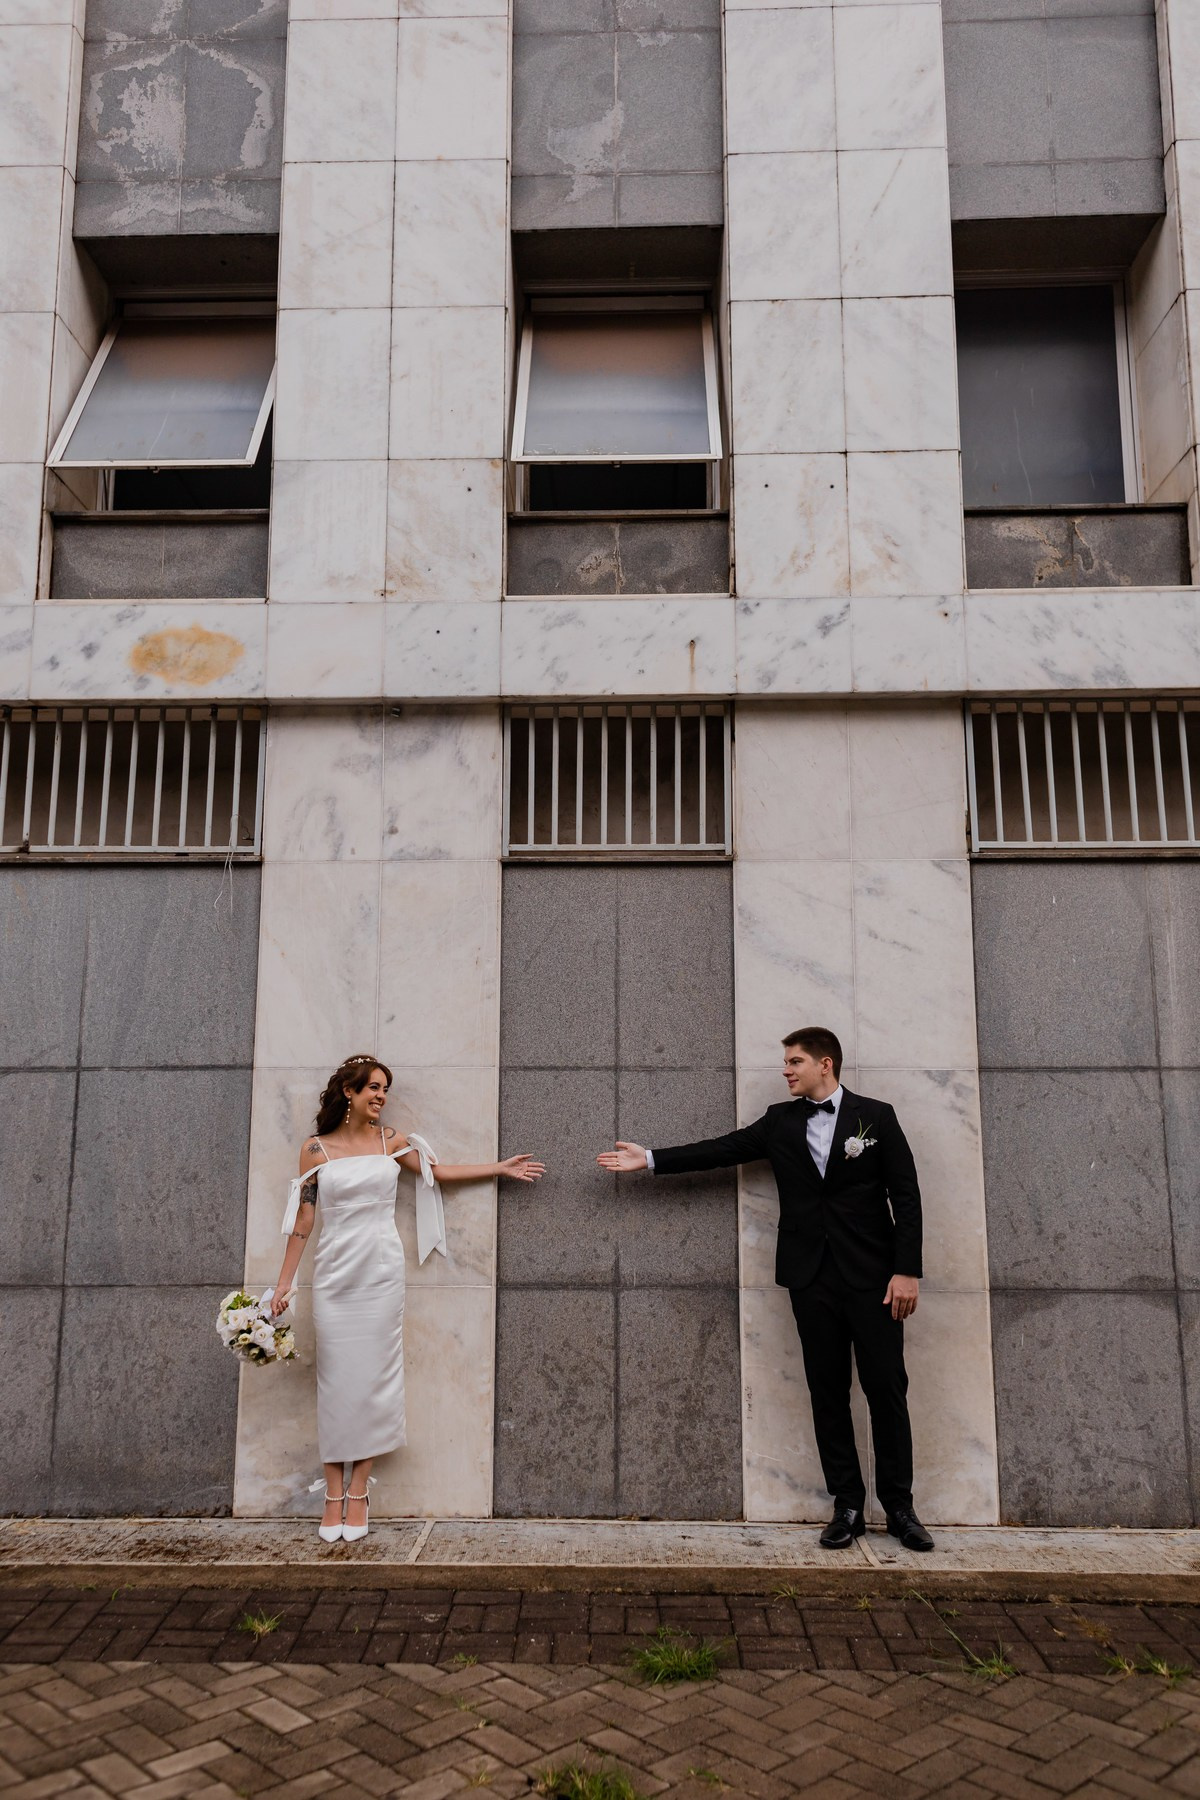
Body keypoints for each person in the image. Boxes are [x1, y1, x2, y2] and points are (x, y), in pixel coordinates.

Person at [597, 1026, 933, 1552]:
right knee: (827, 1392)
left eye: (795, 1061)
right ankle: (847, 1506)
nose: (786, 1070)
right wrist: (653, 1159)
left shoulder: (877, 1116)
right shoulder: (780, 1122)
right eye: (786, 1062)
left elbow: (906, 1196)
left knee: (886, 1391)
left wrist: (906, 1269)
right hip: (810, 1279)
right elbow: (723, 1149)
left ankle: (900, 1508)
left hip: (875, 1282)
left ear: (826, 1064)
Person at [270, 1053, 545, 1543]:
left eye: (384, 1089)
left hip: (380, 1273)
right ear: (348, 1093)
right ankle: (332, 1494)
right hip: (335, 1276)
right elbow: (304, 1222)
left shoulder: (390, 1141)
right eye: (372, 1088)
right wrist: (284, 1283)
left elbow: (437, 1173)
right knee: (335, 1380)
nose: (380, 1097)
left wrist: (498, 1168)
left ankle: (359, 1491)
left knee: (376, 1377)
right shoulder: (315, 1150)